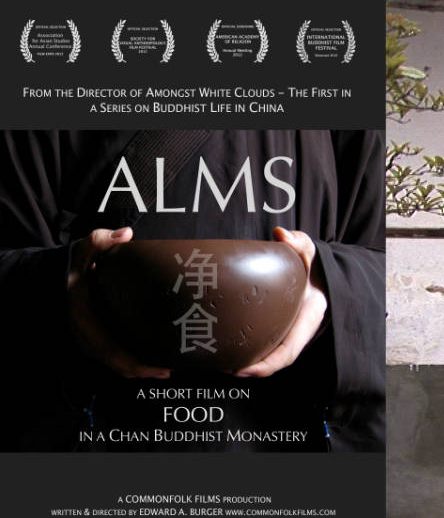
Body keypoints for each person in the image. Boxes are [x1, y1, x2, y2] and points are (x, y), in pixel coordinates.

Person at [0, 130, 385, 452]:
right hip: (95, 423)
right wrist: (60, 283)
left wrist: (327, 280)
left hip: (278, 425)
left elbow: (377, 259)